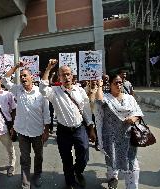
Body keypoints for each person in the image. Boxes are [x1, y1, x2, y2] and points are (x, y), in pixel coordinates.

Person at [39, 59, 96, 189]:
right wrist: (48, 68)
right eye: (63, 74)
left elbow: (86, 111)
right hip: (63, 131)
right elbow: (42, 88)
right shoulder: (54, 92)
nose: (66, 77)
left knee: (84, 152)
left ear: (72, 76)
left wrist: (91, 129)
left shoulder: (79, 91)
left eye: (68, 74)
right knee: (66, 158)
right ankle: (70, 181)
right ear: (59, 77)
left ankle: (78, 171)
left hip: (79, 128)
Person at [2, 62, 51, 189]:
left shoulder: (40, 92)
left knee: (38, 156)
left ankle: (37, 175)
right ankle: (25, 183)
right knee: (25, 158)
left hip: (37, 132)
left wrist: (46, 130)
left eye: (25, 76)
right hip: (22, 132)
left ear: (32, 78)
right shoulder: (18, 90)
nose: (23, 78)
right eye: (21, 76)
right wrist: (16, 67)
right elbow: (5, 80)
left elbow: (46, 112)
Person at [94, 74, 144, 189]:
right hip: (111, 138)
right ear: (110, 85)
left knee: (132, 165)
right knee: (112, 162)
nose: (118, 85)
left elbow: (138, 113)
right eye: (115, 83)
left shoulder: (129, 98)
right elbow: (99, 102)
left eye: (120, 82)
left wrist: (134, 118)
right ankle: (112, 178)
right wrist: (100, 86)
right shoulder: (106, 98)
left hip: (128, 138)